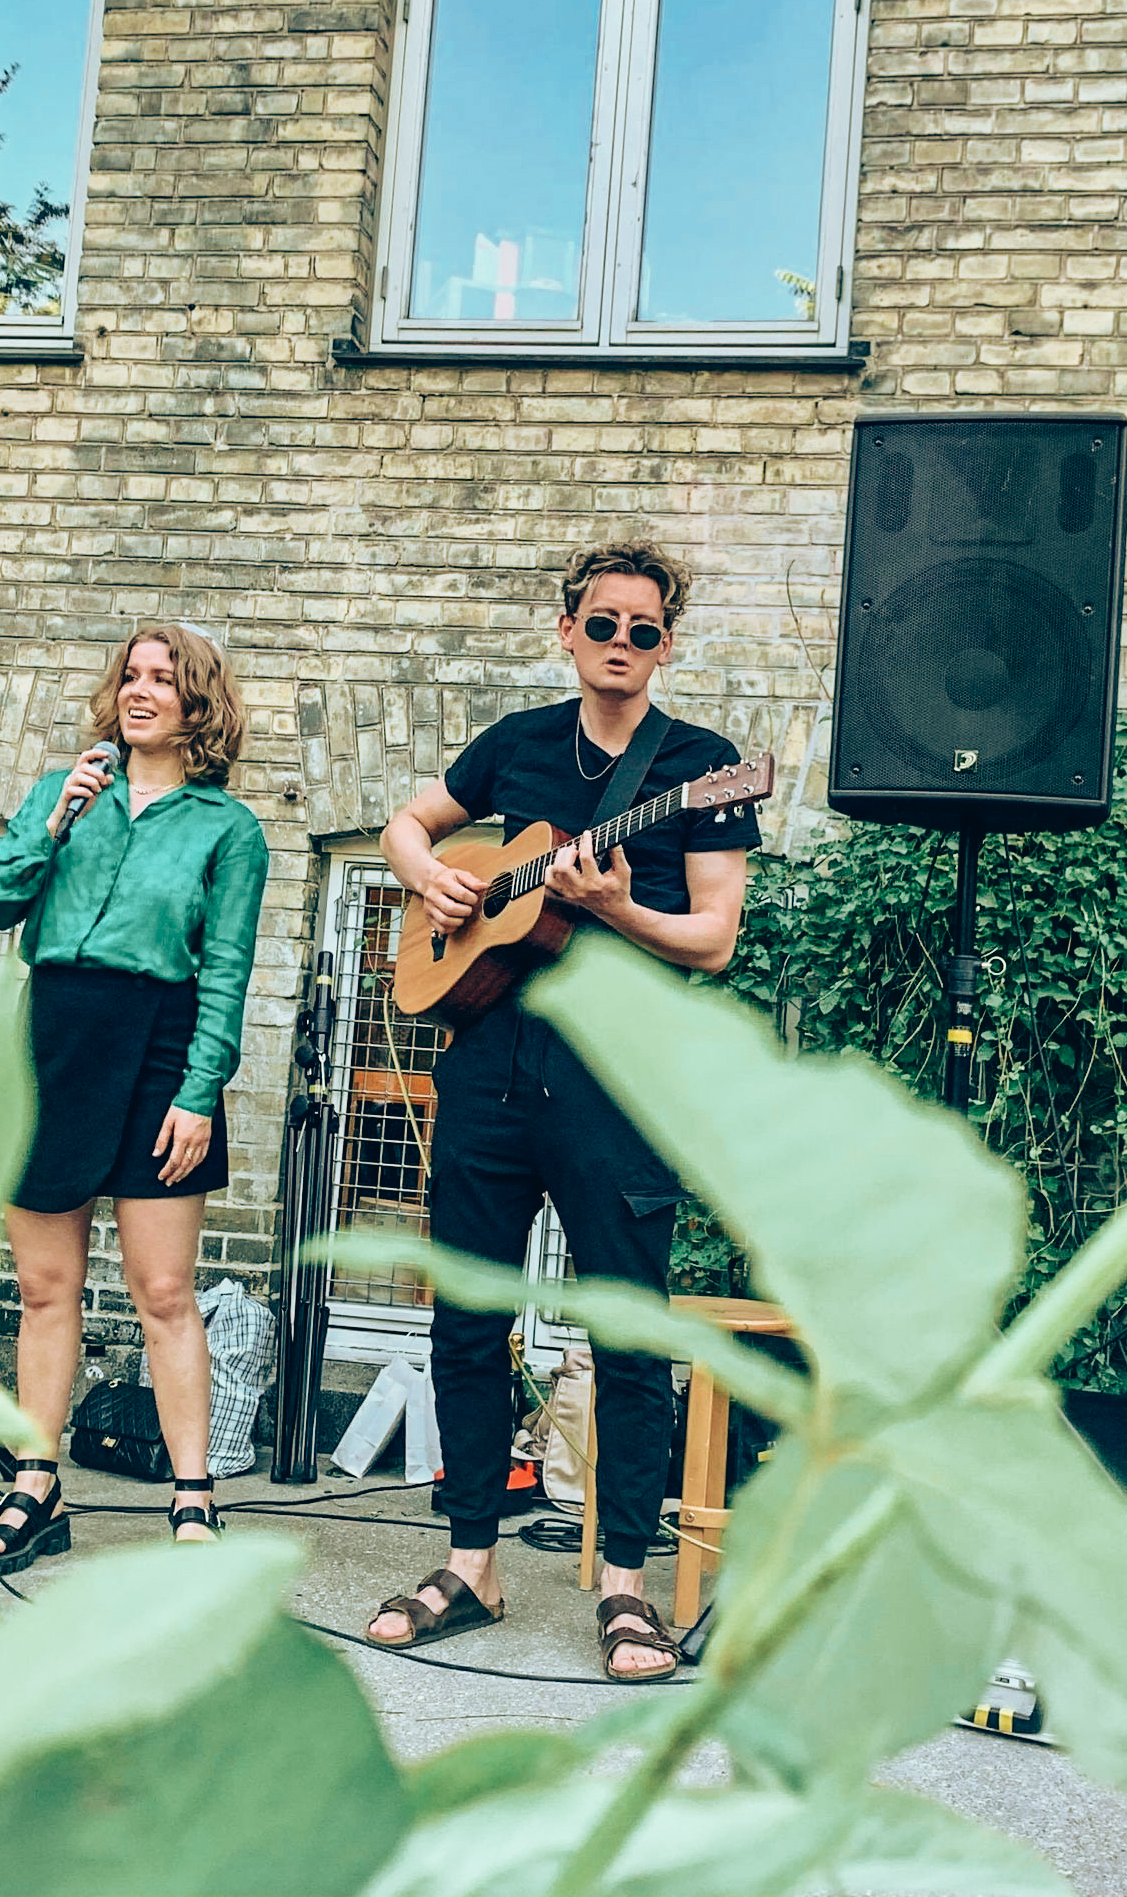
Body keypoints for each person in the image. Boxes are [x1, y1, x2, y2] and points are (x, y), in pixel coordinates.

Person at [367, 539, 759, 1680]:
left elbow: (715, 940)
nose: (622, 644)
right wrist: (423, 876)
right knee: (467, 1319)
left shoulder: (702, 768)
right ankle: (472, 1562)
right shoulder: (516, 745)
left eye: (645, 629)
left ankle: (626, 1587)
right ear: (567, 631)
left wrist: (624, 910)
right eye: (604, 623)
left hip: (617, 1079)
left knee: (627, 1329)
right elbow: (406, 822)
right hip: (487, 1064)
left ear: (667, 644)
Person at [0, 624, 268, 1570]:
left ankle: (192, 1498)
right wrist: (54, 827)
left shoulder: (228, 829)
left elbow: (226, 973)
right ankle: (36, 1484)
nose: (140, 692)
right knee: (46, 1289)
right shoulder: (63, 793)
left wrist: (199, 1091)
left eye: (163, 680)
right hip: (54, 1036)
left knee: (164, 1290)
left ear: (197, 704)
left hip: (159, 1043)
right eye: (130, 676)